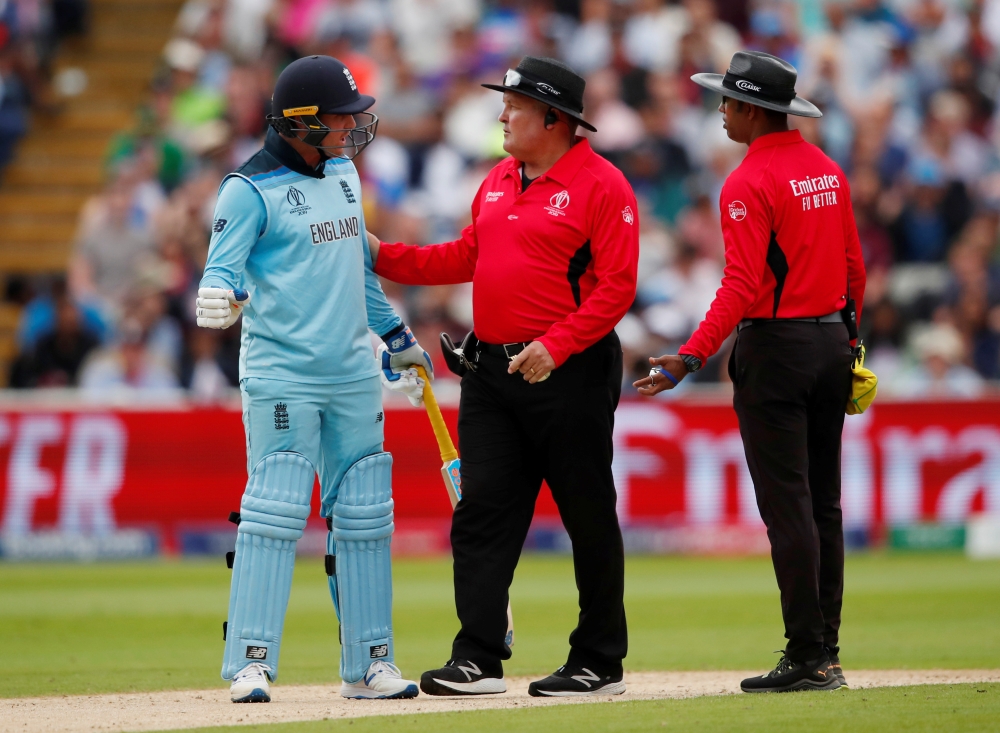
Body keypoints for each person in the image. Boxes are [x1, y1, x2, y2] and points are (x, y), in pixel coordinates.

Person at [369, 56, 639, 697]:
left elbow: (617, 287)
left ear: (554, 118)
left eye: (513, 106)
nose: (501, 114)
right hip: (490, 371)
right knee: (481, 515)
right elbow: (467, 253)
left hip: (568, 371)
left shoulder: (604, 186)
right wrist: (380, 253)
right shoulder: (497, 179)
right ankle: (479, 657)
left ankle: (599, 660)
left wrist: (558, 344)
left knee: (588, 515)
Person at [195, 55, 433, 703]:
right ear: (300, 123)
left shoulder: (346, 172)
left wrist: (397, 338)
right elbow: (221, 267)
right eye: (339, 118)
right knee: (273, 508)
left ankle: (371, 663)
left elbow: (358, 270)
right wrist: (215, 294)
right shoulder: (248, 187)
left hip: (352, 371)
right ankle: (250, 661)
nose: (353, 128)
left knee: (364, 512)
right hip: (282, 371)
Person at [634, 51, 866, 693]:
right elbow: (854, 268)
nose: (721, 110)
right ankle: (828, 650)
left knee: (787, 506)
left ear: (754, 111)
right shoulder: (826, 170)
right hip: (830, 345)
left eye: (729, 101)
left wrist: (689, 356)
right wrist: (849, 339)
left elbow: (740, 284)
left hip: (776, 350)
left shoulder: (745, 182)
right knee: (823, 503)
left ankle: (808, 655)